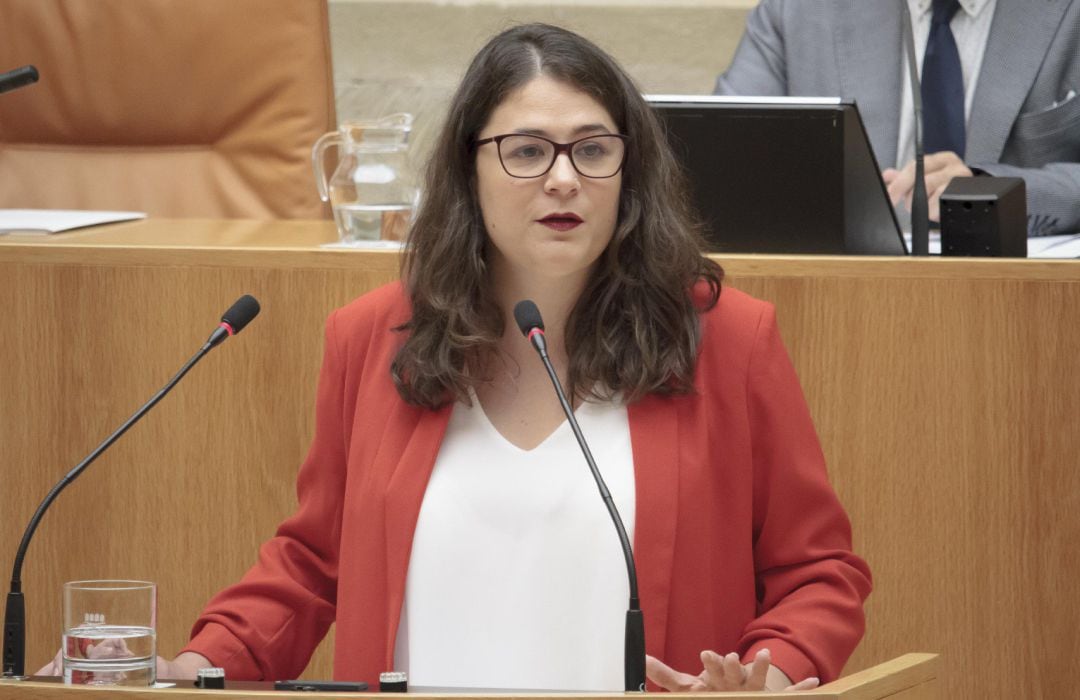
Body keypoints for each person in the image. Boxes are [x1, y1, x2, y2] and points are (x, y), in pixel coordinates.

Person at [39, 23, 871, 692]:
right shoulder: (375, 338)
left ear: (630, 171)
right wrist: (199, 662)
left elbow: (819, 573)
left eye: (593, 149)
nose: (563, 179)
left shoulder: (726, 342)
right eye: (526, 150)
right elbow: (313, 563)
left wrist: (770, 673)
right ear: (469, 169)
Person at [715, 0, 1080, 237]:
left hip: (1026, 301)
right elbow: (719, 153)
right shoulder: (800, 10)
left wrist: (990, 187)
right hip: (841, 297)